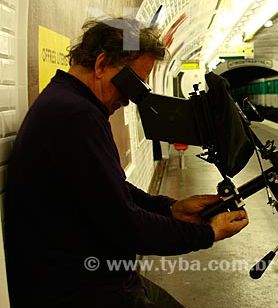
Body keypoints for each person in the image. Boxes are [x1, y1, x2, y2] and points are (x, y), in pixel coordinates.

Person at [4, 18, 249, 308]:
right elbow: (126, 226)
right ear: (102, 63)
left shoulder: (71, 103)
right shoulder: (75, 116)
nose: (131, 100)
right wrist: (208, 232)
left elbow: (112, 189)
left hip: (97, 278)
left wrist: (170, 208)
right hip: (81, 290)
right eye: (132, 84)